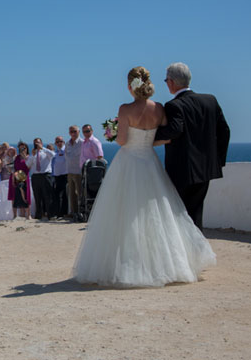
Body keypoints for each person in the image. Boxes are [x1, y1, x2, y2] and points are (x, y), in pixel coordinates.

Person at [73, 66, 216, 288]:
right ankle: (169, 264)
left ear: (130, 86)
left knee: (124, 214)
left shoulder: (125, 109)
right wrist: (146, 139)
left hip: (129, 161)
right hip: (150, 161)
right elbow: (165, 139)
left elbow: (121, 141)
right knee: (158, 214)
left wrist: (113, 132)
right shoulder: (159, 108)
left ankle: (128, 264)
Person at [155, 62, 231, 230]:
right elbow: (225, 130)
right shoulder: (210, 100)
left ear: (172, 82)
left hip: (182, 170)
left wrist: (148, 134)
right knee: (196, 213)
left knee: (180, 214)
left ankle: (187, 253)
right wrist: (218, 160)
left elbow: (174, 130)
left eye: (166, 80)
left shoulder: (174, 105)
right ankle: (198, 250)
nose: (166, 84)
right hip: (206, 169)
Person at [27, 137, 55, 220]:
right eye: (35, 143)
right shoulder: (33, 154)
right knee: (37, 196)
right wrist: (32, 155)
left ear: (41, 143)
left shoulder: (46, 152)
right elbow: (28, 164)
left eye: (38, 142)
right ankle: (39, 214)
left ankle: (50, 214)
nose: (37, 144)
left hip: (45, 175)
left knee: (47, 196)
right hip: (36, 176)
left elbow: (53, 155)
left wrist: (43, 148)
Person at [8, 142, 31, 219]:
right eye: (20, 148)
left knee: (26, 195)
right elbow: (13, 168)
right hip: (17, 177)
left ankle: (28, 214)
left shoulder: (28, 157)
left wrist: (25, 158)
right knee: (16, 195)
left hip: (25, 177)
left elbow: (29, 167)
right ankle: (15, 215)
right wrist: (14, 177)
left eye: (24, 148)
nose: (22, 150)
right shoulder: (16, 158)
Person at [65, 126, 83, 219]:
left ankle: (81, 212)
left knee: (80, 193)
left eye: (75, 131)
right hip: (70, 171)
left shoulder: (82, 143)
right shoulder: (67, 143)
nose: (73, 133)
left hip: (78, 171)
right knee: (71, 193)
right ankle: (73, 212)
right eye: (71, 131)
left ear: (79, 132)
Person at [52, 136, 68, 219]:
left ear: (63, 142)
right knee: (56, 195)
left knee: (64, 195)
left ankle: (63, 213)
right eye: (57, 142)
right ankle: (58, 213)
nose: (59, 143)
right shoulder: (57, 152)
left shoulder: (65, 150)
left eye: (60, 141)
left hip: (64, 175)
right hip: (57, 176)